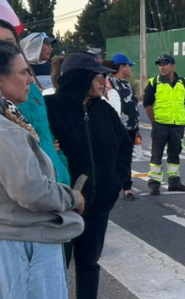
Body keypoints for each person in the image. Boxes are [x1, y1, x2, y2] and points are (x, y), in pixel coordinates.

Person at [44, 52, 133, 299]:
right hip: (62, 208)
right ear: (81, 78)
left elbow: (124, 145)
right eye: (98, 77)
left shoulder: (103, 109)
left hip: (98, 206)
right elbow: (36, 144)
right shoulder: (51, 109)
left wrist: (116, 179)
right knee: (55, 269)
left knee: (90, 264)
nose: (104, 82)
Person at [0, 42, 85, 299]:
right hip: (25, 243)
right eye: (22, 72)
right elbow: (30, 190)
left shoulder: (9, 116)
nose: (29, 79)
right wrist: (71, 197)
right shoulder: (5, 130)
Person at [0, 20, 70, 185]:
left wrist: (58, 158)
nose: (4, 52)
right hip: (28, 194)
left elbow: (46, 129)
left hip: (55, 181)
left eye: (9, 44)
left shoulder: (31, 87)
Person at [144, 54, 185, 194]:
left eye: (164, 64)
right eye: (159, 64)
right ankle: (154, 184)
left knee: (175, 154)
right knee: (156, 155)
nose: (161, 67)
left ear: (172, 66)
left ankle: (174, 182)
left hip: (177, 125)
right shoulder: (153, 82)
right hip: (160, 124)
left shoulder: (184, 83)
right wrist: (154, 122)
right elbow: (147, 104)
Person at [109, 54, 142, 199]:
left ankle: (127, 188)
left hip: (131, 128)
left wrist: (137, 128)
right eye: (128, 66)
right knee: (113, 158)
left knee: (127, 159)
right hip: (117, 128)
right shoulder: (108, 83)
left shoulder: (127, 84)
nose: (130, 69)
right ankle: (110, 186)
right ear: (122, 67)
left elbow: (133, 105)